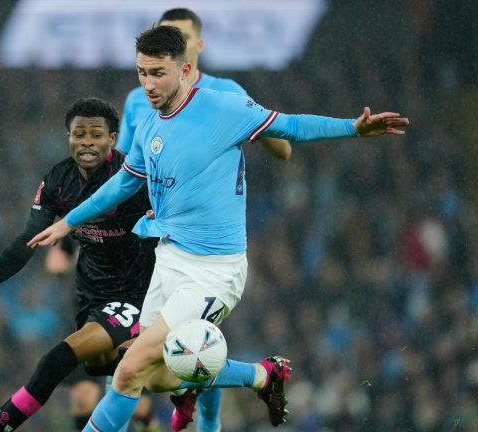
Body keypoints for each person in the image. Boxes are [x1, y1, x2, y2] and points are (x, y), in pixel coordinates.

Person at [27, 25, 409, 432]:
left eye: (158, 73)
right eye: (142, 73)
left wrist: (354, 127)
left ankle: (237, 380)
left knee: (126, 372)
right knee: (148, 375)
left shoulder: (223, 109)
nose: (148, 84)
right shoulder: (151, 126)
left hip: (213, 271)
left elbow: (291, 126)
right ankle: (261, 376)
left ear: (185, 70)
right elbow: (123, 183)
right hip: (169, 259)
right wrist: (68, 221)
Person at [118, 8, 292, 431]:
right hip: (154, 237)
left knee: (175, 348)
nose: (172, 44)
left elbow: (283, 147)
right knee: (164, 358)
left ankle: (206, 418)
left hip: (205, 245)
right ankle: (236, 384)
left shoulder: (224, 93)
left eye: (181, 37)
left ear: (196, 48)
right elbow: (125, 167)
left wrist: (254, 129)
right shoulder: (140, 97)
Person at [0, 97, 158, 432]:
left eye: (96, 135)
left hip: (136, 293)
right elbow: (30, 237)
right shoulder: (57, 180)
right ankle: (166, 392)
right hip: (91, 296)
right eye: (78, 134)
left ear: (112, 139)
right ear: (68, 137)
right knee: (109, 371)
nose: (86, 142)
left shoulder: (132, 177)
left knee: (59, 362)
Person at [118, 8, 292, 162]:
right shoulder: (137, 99)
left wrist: (258, 123)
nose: (175, 45)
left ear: (200, 45)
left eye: (184, 38)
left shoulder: (227, 91)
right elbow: (122, 162)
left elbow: (283, 151)